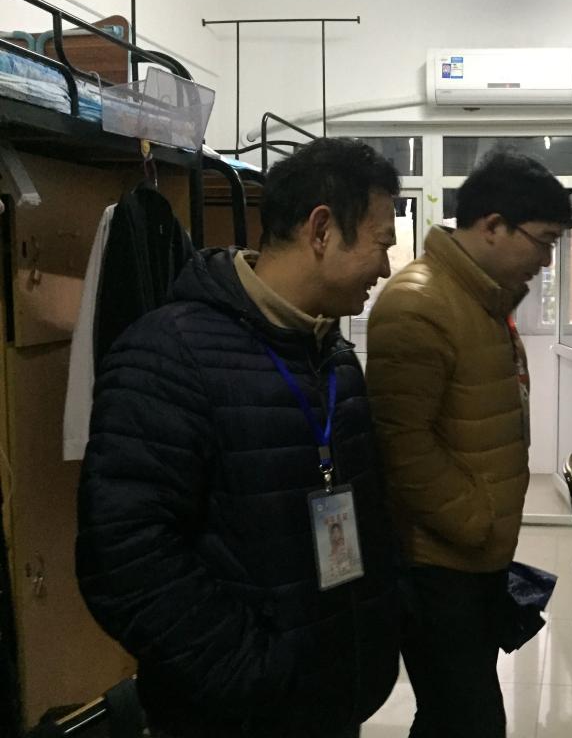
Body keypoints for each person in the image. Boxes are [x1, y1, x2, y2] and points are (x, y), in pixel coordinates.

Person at [77, 138, 403, 738]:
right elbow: (122, 555)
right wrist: (251, 672)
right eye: (381, 244)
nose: (385, 268)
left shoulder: (332, 356)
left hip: (330, 700)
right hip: (234, 716)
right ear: (322, 230)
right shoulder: (168, 353)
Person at [365, 151, 572, 738]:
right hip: (438, 564)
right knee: (470, 719)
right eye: (543, 241)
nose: (547, 259)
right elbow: (401, 443)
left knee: (450, 716)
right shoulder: (420, 304)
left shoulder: (481, 299)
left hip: (472, 557)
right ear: (492, 225)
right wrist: (476, 520)